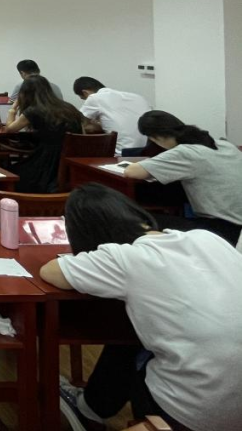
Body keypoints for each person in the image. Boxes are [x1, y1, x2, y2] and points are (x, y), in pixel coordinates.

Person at [39, 183, 242, 431]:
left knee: (130, 339)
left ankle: (87, 410)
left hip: (189, 414)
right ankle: (90, 406)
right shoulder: (206, 238)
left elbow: (51, 272)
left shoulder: (124, 257)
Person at [122, 111, 242, 244]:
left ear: (155, 138)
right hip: (237, 225)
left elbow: (131, 172)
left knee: (138, 220)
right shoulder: (225, 145)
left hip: (221, 230)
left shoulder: (185, 152)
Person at [2, 75, 84, 192]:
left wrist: (12, 110)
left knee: (11, 171)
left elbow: (9, 129)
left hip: (48, 160)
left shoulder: (34, 110)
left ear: (26, 93)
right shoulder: (68, 107)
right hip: (73, 157)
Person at [73, 77, 150, 155]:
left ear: (85, 92)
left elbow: (79, 124)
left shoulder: (94, 98)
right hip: (148, 152)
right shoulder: (137, 97)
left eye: (83, 98)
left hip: (122, 154)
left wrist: (95, 125)